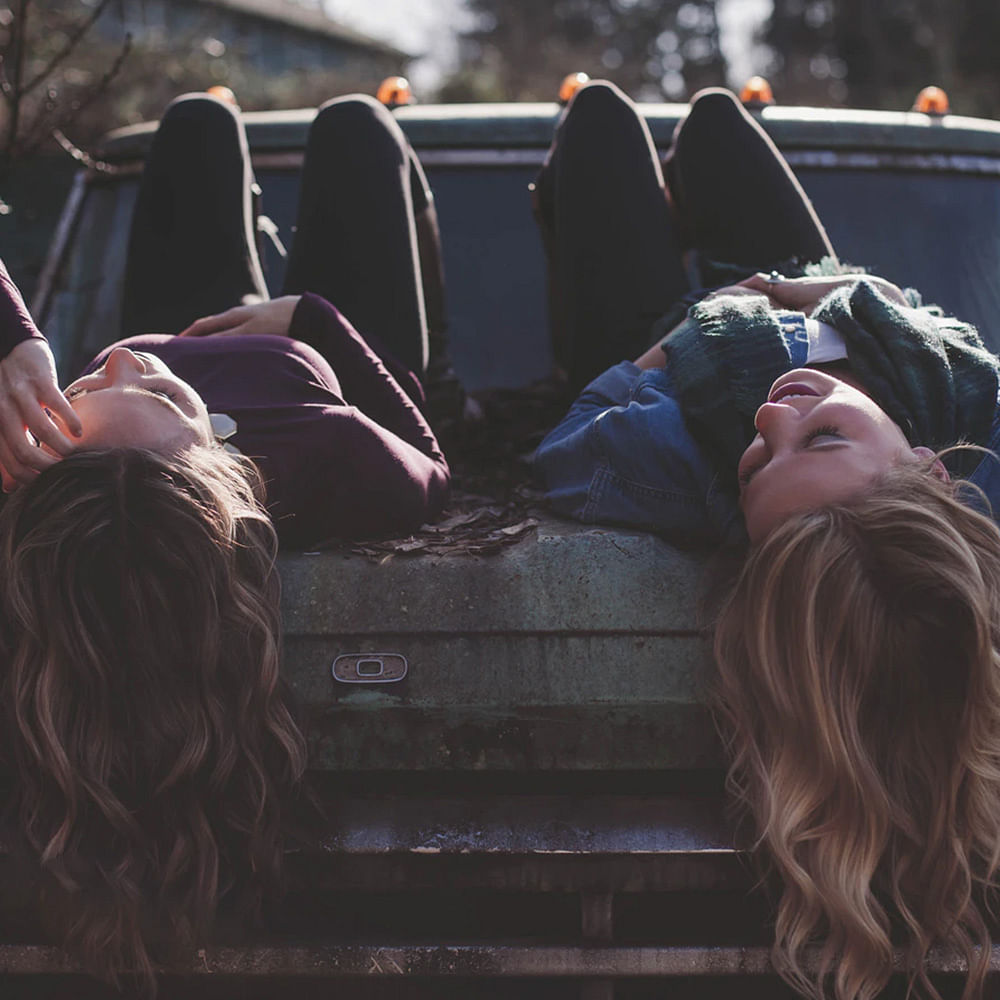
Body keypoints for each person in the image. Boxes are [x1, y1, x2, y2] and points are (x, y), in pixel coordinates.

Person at [533, 81, 1000, 1000]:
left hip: (673, 347)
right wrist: (800, 292)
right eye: (822, 439)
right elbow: (917, 321)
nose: (772, 421)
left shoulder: (674, 457)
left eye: (759, 467)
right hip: (836, 303)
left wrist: (693, 331)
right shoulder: (967, 405)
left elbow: (576, 429)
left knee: (598, 125)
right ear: (932, 471)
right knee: (713, 117)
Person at [0, 90, 450, 989]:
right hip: (312, 350)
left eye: (84, 386)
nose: (131, 360)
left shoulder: (77, 476)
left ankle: (212, 113)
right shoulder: (328, 453)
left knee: (193, 127)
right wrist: (312, 321)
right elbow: (433, 461)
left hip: (186, 312)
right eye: (159, 396)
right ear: (220, 473)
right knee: (359, 127)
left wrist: (14, 344)